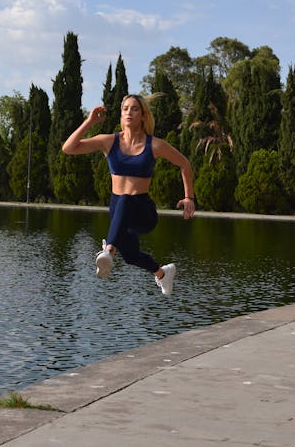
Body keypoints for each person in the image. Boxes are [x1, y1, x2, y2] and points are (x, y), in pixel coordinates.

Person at [62, 94, 195, 296]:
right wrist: (89, 121)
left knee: (125, 198)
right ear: (121, 114)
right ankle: (162, 274)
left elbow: (184, 164)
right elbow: (69, 148)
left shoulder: (154, 145)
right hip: (118, 212)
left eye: (134, 109)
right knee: (131, 256)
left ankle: (109, 250)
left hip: (143, 212)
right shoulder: (108, 142)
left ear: (143, 115)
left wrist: (189, 197)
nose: (128, 113)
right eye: (125, 109)